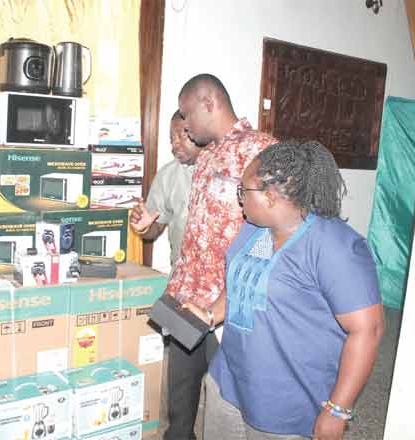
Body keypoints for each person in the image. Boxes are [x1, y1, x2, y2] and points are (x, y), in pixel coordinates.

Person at [200, 140, 384, 440]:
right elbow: (238, 285)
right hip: (229, 381)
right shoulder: (254, 228)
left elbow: (369, 330)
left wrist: (337, 409)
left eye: (243, 191)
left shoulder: (334, 247)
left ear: (271, 196)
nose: (239, 200)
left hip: (287, 402)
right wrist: (210, 313)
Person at [160, 74, 277, 439]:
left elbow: (274, 230)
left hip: (228, 306)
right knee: (180, 396)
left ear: (209, 104)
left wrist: (229, 299)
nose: (186, 123)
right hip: (187, 297)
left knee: (228, 402)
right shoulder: (207, 155)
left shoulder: (262, 150)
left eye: (187, 113)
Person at [131, 109, 218, 440]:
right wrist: (144, 226)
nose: (174, 144)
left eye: (182, 135)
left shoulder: (229, 172)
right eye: (170, 138)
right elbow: (153, 231)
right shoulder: (169, 175)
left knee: (226, 382)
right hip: (184, 293)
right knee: (181, 383)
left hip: (223, 298)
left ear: (201, 130)